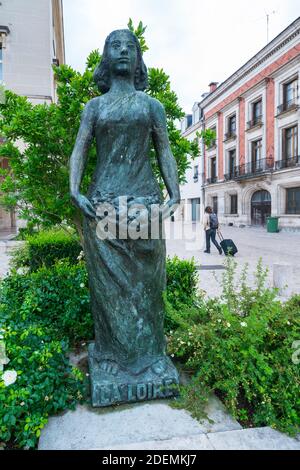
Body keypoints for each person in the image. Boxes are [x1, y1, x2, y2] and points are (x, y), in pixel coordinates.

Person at [69, 30, 180, 383]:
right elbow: (80, 149)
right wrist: (74, 190)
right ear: (105, 56)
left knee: (147, 285)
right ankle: (112, 357)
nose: (122, 51)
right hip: (102, 205)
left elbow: (164, 151)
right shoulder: (95, 107)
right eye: (114, 46)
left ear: (137, 58)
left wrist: (175, 194)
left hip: (145, 204)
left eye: (129, 46)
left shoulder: (151, 107)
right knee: (108, 288)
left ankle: (151, 356)